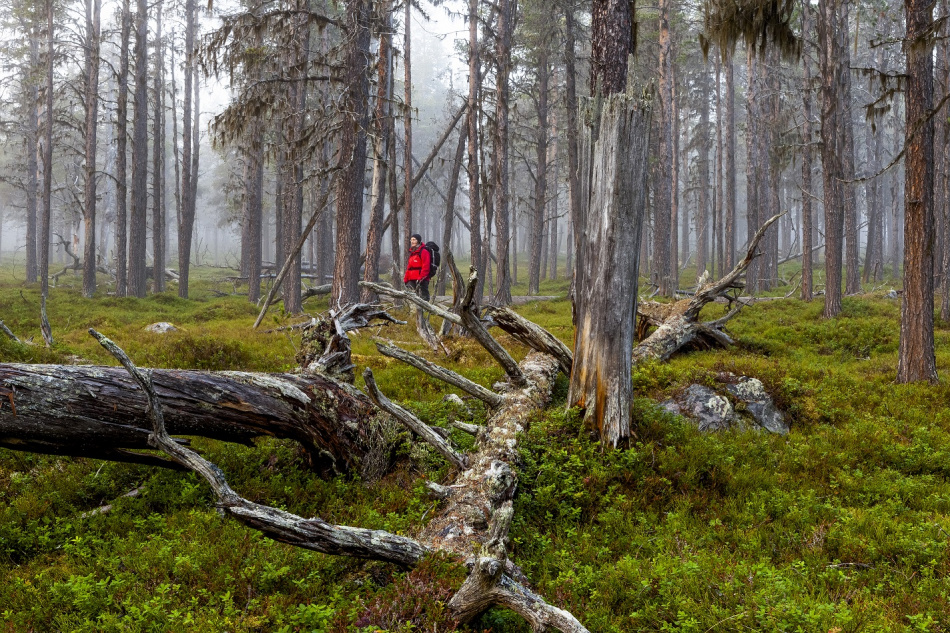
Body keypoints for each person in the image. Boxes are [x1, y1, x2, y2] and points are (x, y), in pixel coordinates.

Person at [404, 234, 431, 302]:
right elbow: (409, 268)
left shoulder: (424, 252)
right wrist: (405, 279)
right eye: (411, 240)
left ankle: (426, 311)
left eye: (414, 240)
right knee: (409, 295)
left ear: (418, 241)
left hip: (422, 280)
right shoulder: (412, 253)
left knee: (424, 298)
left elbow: (426, 267)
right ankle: (413, 311)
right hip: (411, 279)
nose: (412, 241)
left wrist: (420, 279)